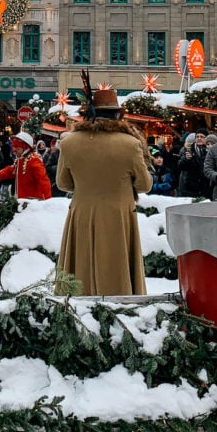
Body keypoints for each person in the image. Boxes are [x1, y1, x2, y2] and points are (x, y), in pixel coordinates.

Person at [55, 86, 152, 296]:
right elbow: (145, 185)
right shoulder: (131, 144)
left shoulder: (69, 142)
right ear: (118, 115)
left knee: (80, 264)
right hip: (119, 215)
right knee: (117, 264)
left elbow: (63, 183)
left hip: (81, 212)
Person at [0, 132, 51, 200]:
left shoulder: (34, 160)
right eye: (13, 147)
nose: (14, 150)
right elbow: (10, 171)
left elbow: (44, 182)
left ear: (25, 147)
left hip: (33, 203)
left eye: (17, 147)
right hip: (22, 201)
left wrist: (47, 201)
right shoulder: (21, 160)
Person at [176, 129, 208, 199]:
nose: (199, 138)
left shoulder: (209, 150)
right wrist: (186, 159)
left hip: (205, 188)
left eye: (202, 137)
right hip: (189, 189)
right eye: (197, 137)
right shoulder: (188, 149)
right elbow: (180, 166)